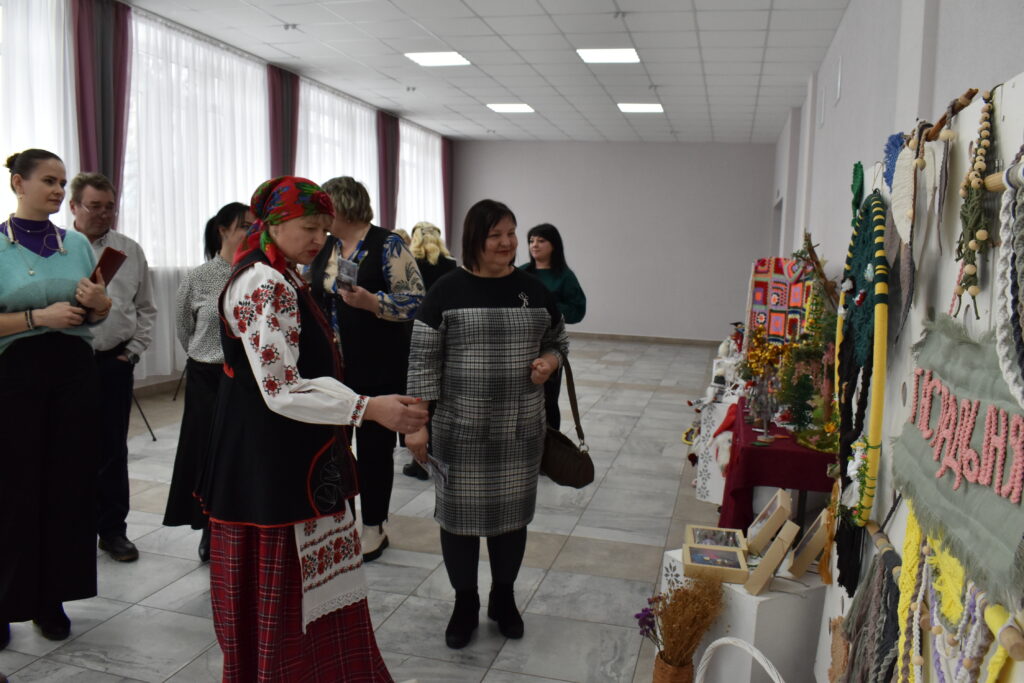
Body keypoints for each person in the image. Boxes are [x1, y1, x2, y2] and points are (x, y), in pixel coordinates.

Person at [196, 176, 427, 681]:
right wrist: (368, 408)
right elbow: (281, 388)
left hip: (288, 451)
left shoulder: (283, 274)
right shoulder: (264, 282)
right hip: (273, 461)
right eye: (309, 228)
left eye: (325, 229)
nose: (320, 239)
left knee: (309, 591)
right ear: (275, 223)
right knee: (288, 594)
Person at [406, 199, 568, 649]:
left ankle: (503, 597)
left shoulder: (533, 290)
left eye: (511, 233)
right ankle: (465, 602)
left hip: (520, 429)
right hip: (459, 432)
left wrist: (549, 361)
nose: (507, 242)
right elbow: (422, 361)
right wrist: (417, 424)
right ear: (474, 239)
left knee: (512, 520)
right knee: (457, 522)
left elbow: (558, 339)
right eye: (496, 234)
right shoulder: (446, 291)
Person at [0, 149, 112, 649]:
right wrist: (37, 319)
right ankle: (5, 601)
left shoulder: (77, 244)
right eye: (48, 180)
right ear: (18, 184)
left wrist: (101, 304)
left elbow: (98, 311)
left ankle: (52, 599)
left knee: (68, 488)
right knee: (12, 490)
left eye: (62, 182)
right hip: (14, 375)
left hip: (73, 374)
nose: (57, 190)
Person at [307, 176, 425, 561]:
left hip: (378, 364)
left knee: (374, 449)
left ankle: (374, 525)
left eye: (327, 206)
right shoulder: (325, 246)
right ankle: (341, 520)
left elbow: (416, 300)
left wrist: (374, 303)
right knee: (333, 447)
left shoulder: (387, 244)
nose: (322, 215)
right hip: (331, 368)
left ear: (344, 206)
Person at [69, 172, 157, 563]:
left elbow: (146, 308)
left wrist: (133, 352)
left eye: (110, 207)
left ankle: (113, 531)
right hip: (66, 363)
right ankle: (71, 531)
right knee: (68, 449)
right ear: (74, 206)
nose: (104, 214)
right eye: (95, 206)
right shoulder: (59, 248)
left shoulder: (128, 249)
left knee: (112, 450)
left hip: (113, 361)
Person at [163, 202, 251, 561]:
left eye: (255, 226)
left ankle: (241, 521)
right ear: (223, 230)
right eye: (244, 226)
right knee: (204, 451)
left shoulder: (257, 272)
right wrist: (207, 355)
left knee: (240, 452)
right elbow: (184, 328)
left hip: (246, 376)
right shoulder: (199, 277)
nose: (252, 232)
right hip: (206, 375)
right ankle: (210, 526)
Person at [401, 221, 458, 481]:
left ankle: (418, 460)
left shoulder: (410, 263)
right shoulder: (451, 265)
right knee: (437, 396)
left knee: (417, 392)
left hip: (413, 333)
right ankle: (438, 449)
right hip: (446, 333)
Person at [519, 223, 586, 430]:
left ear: (554, 245)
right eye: (531, 241)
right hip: (521, 345)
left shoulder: (564, 276)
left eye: (541, 241)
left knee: (548, 401)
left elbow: (577, 310)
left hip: (549, 347)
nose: (534, 245)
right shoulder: (521, 272)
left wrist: (549, 307)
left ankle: (550, 442)